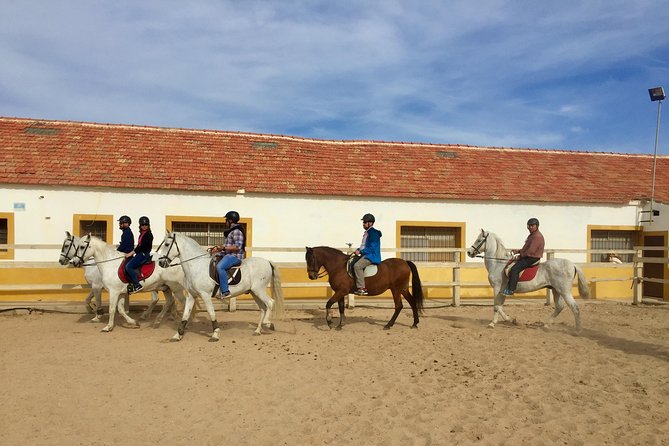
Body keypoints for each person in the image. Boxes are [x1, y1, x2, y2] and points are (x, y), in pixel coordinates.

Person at [502, 217, 544, 296]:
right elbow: (526, 248)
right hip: (529, 256)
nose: (530, 227)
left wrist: (520, 256)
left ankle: (511, 290)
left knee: (515, 269)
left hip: (532, 258)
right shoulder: (532, 235)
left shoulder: (537, 237)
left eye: (532, 225)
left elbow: (531, 251)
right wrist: (518, 251)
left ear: (537, 226)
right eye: (529, 226)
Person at [213, 211, 246, 298]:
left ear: (230, 220)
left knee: (220, 266)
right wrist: (218, 250)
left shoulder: (237, 231)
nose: (225, 222)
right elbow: (229, 246)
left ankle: (225, 291)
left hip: (235, 256)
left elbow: (237, 247)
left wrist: (223, 248)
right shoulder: (231, 231)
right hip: (228, 255)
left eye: (226, 220)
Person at [353, 213, 382, 296]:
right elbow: (364, 246)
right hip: (366, 254)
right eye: (363, 222)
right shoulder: (367, 232)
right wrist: (358, 250)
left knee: (357, 266)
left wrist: (361, 252)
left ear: (370, 223)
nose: (363, 224)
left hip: (372, 256)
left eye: (365, 222)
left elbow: (372, 247)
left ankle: (362, 288)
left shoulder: (373, 233)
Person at [125, 216, 153, 294]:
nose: (144, 226)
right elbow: (138, 246)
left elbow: (142, 247)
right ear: (140, 226)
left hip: (144, 254)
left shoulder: (148, 235)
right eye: (142, 225)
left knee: (128, 266)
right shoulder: (142, 234)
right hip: (140, 254)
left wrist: (131, 253)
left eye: (146, 224)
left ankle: (137, 285)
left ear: (148, 225)